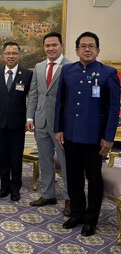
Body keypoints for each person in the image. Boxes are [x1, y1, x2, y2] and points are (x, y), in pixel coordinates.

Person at [54, 31, 120, 237]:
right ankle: (76, 214)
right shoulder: (67, 71)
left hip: (94, 138)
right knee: (73, 177)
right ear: (76, 50)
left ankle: (91, 219)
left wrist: (109, 137)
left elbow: (113, 108)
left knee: (94, 179)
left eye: (91, 46)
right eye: (83, 46)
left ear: (98, 50)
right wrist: (58, 128)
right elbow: (60, 103)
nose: (87, 49)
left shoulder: (108, 73)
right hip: (71, 135)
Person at [26, 32, 71, 215]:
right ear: (43, 47)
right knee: (44, 160)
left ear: (61, 46)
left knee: (65, 162)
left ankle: (70, 198)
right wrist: (30, 117)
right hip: (40, 121)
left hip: (61, 125)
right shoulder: (38, 67)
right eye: (47, 46)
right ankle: (48, 194)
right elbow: (34, 94)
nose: (50, 48)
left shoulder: (70, 67)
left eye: (54, 45)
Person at [0, 41, 33, 201]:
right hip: (0, 122)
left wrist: (29, 118)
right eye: (8, 53)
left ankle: (15, 188)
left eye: (14, 53)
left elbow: (31, 99)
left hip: (17, 123)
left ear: (19, 55)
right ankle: (4, 186)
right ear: (3, 56)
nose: (11, 56)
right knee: (2, 156)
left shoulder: (27, 74)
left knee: (16, 157)